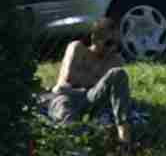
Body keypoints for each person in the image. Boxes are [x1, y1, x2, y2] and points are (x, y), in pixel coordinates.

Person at [39, 17, 135, 148]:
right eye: (108, 43)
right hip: (68, 96)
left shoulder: (115, 60)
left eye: (117, 45)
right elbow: (69, 78)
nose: (112, 48)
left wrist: (85, 79)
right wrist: (98, 81)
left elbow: (115, 87)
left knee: (118, 73)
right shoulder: (78, 48)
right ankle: (83, 143)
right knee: (65, 112)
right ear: (94, 38)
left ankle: (124, 137)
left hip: (92, 98)